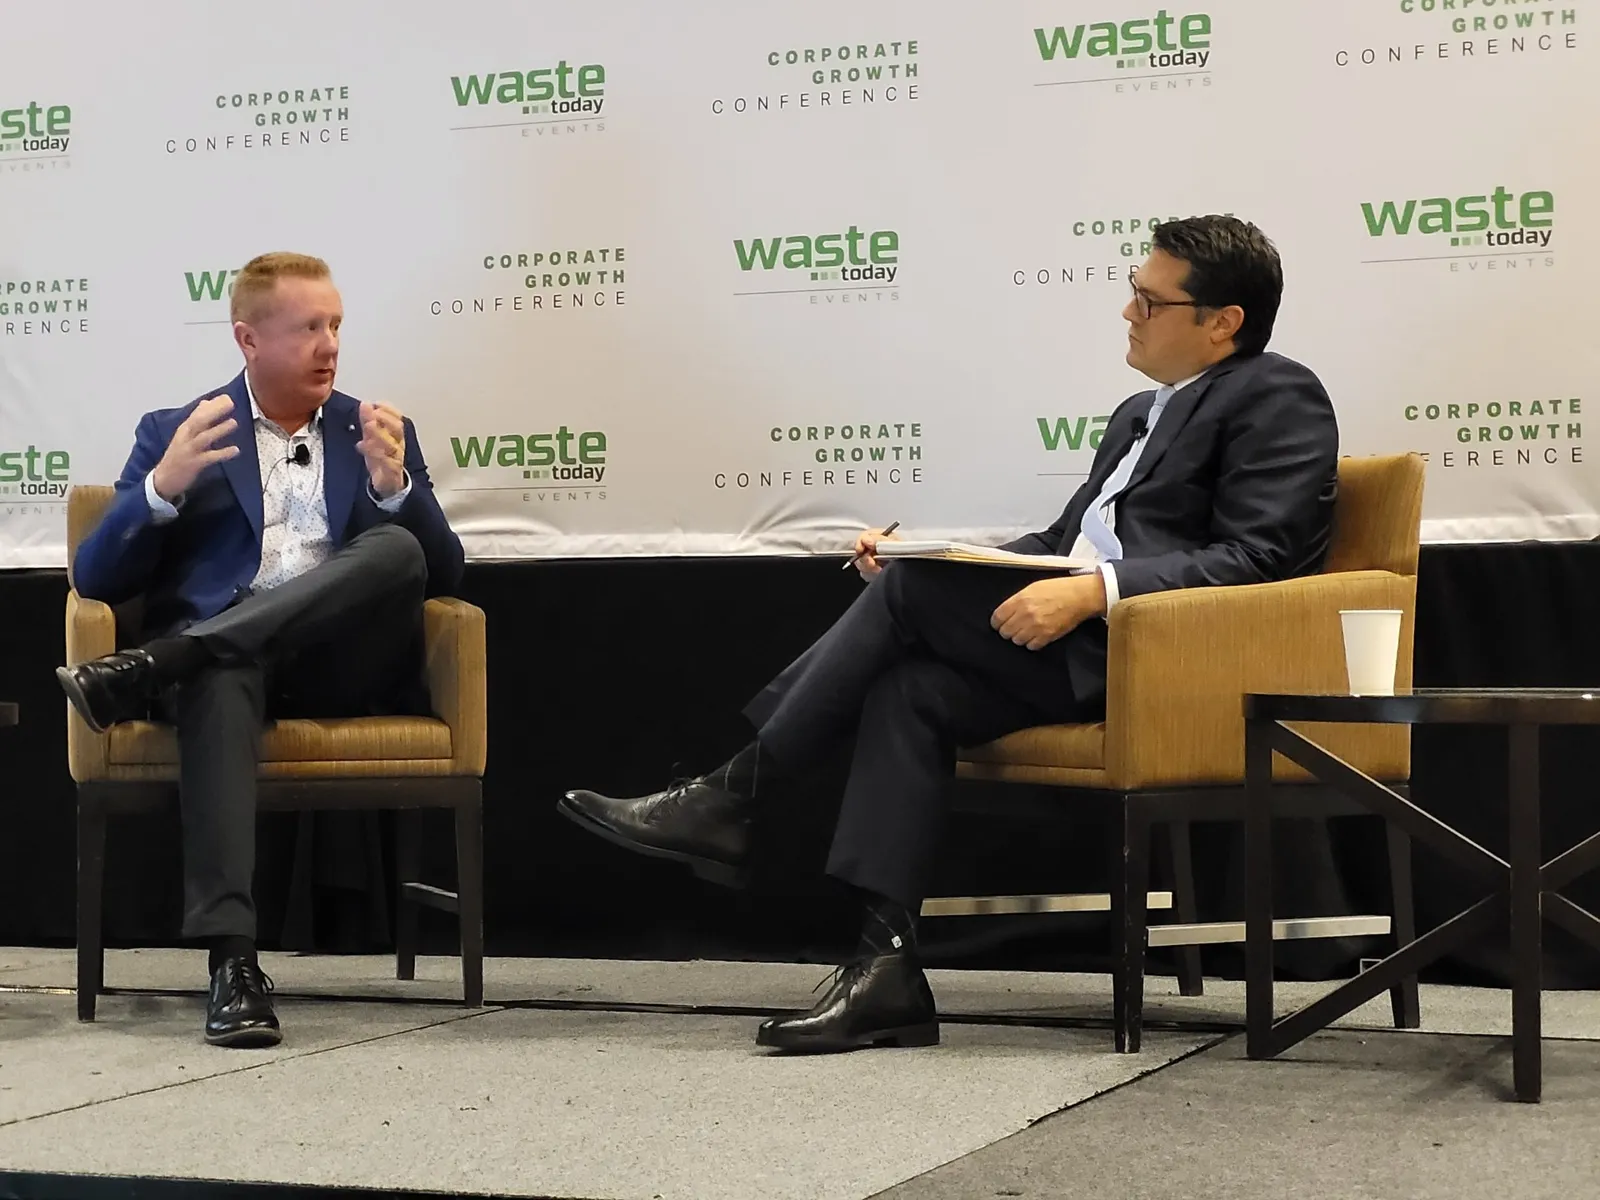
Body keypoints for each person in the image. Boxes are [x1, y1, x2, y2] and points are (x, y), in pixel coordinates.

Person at [559, 215, 1339, 1054]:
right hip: (1080, 646)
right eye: (1132, 292)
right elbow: (1058, 546)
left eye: (1150, 300)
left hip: (1163, 660)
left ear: (1223, 322)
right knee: (910, 691)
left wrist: (1095, 594)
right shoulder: (1135, 415)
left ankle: (732, 796)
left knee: (919, 600)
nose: (1128, 313)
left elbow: (1258, 558)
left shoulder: (1277, 395)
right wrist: (923, 558)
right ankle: (884, 972)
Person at [58, 252, 464, 1048]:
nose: (330, 344)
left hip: (340, 665)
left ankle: (163, 662)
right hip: (231, 673)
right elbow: (95, 578)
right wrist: (159, 492)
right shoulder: (178, 431)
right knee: (220, 668)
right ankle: (233, 964)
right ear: (248, 338)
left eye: (336, 325)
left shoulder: (374, 430)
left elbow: (443, 577)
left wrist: (394, 494)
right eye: (309, 327)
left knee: (396, 553)